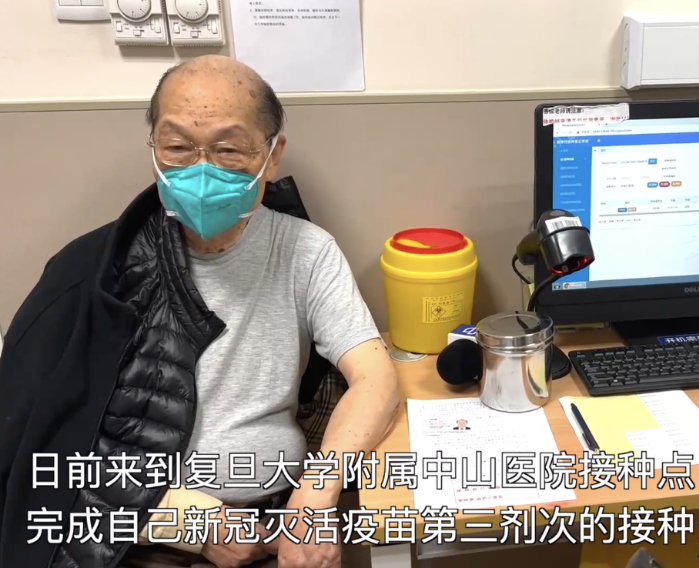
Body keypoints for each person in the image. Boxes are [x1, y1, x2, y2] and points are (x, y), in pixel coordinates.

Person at [0, 55, 400, 568]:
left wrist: (314, 499)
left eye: (229, 148)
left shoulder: (305, 250)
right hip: (137, 539)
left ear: (272, 156)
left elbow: (375, 379)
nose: (202, 170)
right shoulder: (92, 272)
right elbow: (43, 448)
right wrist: (192, 523)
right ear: (153, 150)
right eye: (177, 147)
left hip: (277, 522)